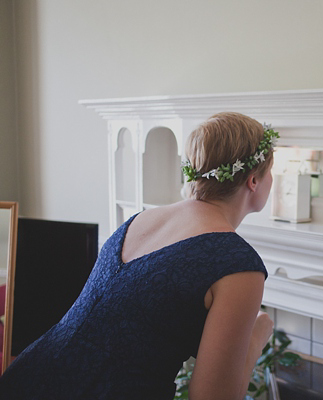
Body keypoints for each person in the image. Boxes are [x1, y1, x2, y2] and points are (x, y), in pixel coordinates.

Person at [0, 112, 277, 400]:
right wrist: (257, 336)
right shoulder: (239, 265)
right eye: (270, 170)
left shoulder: (140, 220)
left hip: (26, 378)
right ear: (253, 180)